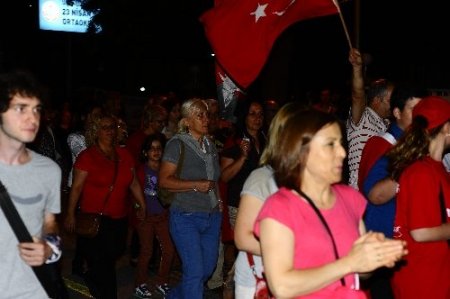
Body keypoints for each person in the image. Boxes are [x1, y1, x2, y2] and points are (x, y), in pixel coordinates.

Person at [254, 109, 407, 298]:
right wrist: (350, 262)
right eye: (330, 144)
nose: (342, 153)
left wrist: (373, 257)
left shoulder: (350, 198)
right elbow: (282, 287)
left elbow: (359, 273)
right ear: (300, 152)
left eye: (341, 144)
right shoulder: (280, 207)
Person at [64, 112, 146, 299]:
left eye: (113, 127)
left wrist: (142, 204)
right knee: (105, 263)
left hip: (119, 218)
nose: (110, 131)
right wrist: (70, 214)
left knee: (115, 253)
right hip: (96, 218)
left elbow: (133, 182)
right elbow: (76, 189)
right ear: (96, 131)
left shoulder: (125, 155)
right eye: (105, 127)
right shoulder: (87, 157)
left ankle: (91, 277)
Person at [0, 70, 62, 298]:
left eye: (37, 109)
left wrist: (50, 248)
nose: (33, 118)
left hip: (35, 291)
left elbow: (50, 223)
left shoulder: (49, 171)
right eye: (21, 108)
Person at [359, 86, 424, 299]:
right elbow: (374, 195)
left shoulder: (412, 146)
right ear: (396, 113)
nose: (420, 118)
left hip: (398, 250)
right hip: (382, 251)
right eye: (413, 110)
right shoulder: (381, 145)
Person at [234, 101, 302, 298]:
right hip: (259, 279)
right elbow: (243, 238)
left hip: (292, 278)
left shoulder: (308, 179)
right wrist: (296, 250)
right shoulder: (263, 178)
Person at [386, 96, 450, 299]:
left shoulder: (438, 169)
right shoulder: (421, 172)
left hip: (436, 277)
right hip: (421, 282)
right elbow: (420, 232)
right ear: (446, 128)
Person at [159, 98, 222, 299]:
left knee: (206, 270)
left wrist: (218, 203)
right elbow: (164, 181)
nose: (206, 119)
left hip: (211, 217)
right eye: (200, 115)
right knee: (195, 273)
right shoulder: (176, 145)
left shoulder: (210, 145)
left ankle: (174, 296)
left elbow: (214, 180)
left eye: (207, 115)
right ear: (187, 121)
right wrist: (195, 184)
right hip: (185, 216)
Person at [133, 133, 175, 298]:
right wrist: (138, 207)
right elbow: (133, 192)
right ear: (145, 152)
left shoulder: (166, 170)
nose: (156, 152)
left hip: (162, 216)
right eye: (152, 149)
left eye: (159, 149)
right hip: (146, 218)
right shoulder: (141, 170)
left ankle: (161, 281)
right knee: (146, 252)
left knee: (169, 250)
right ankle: (140, 284)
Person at [347, 48, 394, 189]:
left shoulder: (388, 125)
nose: (395, 103)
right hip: (358, 194)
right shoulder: (362, 117)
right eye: (391, 99)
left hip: (377, 194)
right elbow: (358, 95)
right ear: (376, 101)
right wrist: (357, 68)